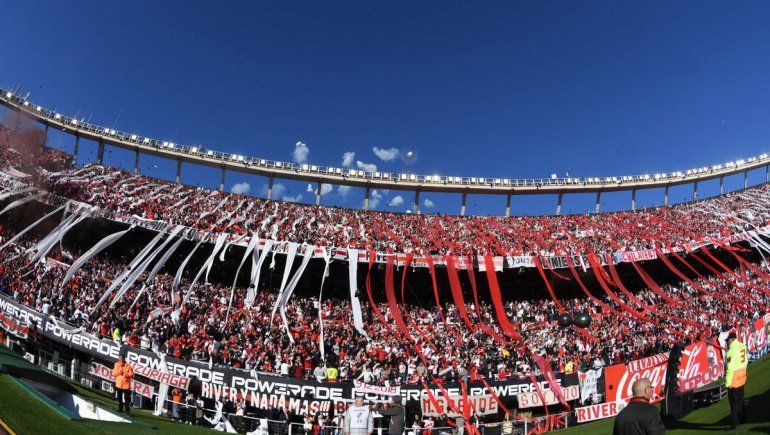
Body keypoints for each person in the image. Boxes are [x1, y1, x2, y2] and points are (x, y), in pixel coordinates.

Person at [725, 332, 748, 430]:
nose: (727, 343)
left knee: (733, 403)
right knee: (741, 399)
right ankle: (742, 418)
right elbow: (746, 360)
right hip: (742, 375)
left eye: (728, 341)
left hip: (734, 379)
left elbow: (729, 368)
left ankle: (735, 424)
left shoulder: (730, 352)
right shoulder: (742, 345)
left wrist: (727, 383)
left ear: (731, 340)